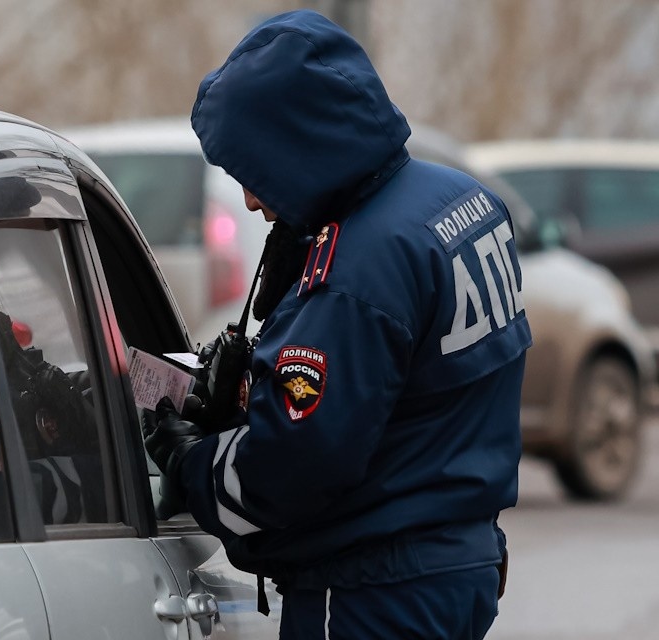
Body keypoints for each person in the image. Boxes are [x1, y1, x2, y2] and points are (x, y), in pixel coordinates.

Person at [142, 10, 531, 640]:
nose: (249, 199)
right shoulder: (461, 201)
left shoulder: (352, 273)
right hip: (462, 565)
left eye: (255, 173)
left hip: (371, 593)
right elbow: (412, 399)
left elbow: (292, 466)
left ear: (297, 148)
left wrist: (194, 465)